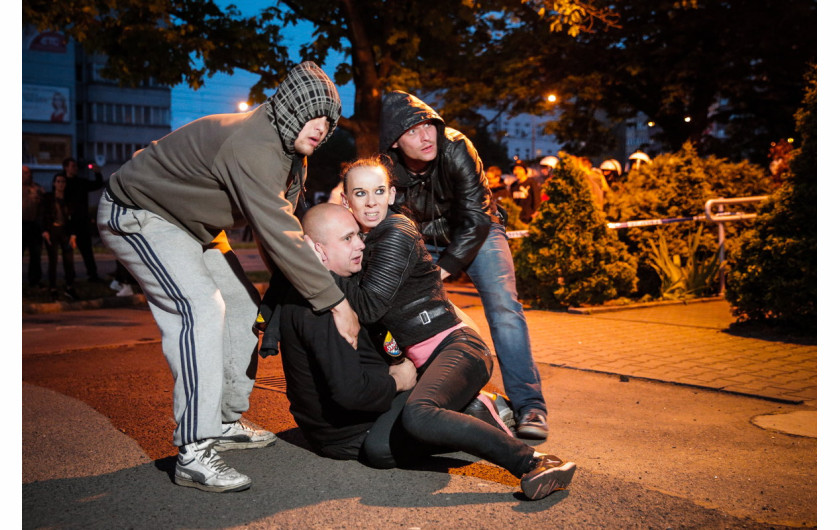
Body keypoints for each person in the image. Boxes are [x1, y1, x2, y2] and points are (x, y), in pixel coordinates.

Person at [96, 61, 359, 493]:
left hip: (192, 223)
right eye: (313, 113)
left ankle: (220, 421)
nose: (321, 127)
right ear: (291, 107)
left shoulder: (292, 154)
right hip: (138, 211)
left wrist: (297, 288)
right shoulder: (252, 143)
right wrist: (335, 302)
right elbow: (277, 231)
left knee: (242, 308)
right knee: (200, 307)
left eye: (329, 120)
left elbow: (283, 231)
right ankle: (195, 450)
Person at [281, 193, 576, 500]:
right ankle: (471, 412)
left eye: (358, 235)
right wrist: (396, 380)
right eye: (347, 238)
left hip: (370, 414)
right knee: (381, 449)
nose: (360, 245)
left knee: (407, 425)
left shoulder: (346, 285)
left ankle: (532, 462)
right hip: (349, 425)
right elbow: (348, 392)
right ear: (317, 250)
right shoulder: (321, 307)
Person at [379, 91, 549, 439]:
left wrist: (442, 270)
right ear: (395, 142)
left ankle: (530, 405)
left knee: (504, 307)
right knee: (404, 308)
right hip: (423, 237)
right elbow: (387, 219)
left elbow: (476, 216)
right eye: (412, 131)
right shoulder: (387, 169)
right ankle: (429, 393)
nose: (426, 136)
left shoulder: (457, 147)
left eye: (428, 125)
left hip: (478, 228)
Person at [58, 157, 104, 282]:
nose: (76, 168)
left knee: (87, 250)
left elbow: (98, 184)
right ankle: (70, 276)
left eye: (76, 166)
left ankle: (93, 275)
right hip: (68, 222)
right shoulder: (61, 181)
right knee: (68, 251)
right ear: (66, 167)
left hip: (82, 221)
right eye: (73, 166)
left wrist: (97, 173)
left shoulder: (80, 182)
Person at [40, 174, 78, 300]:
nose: (61, 184)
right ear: (54, 183)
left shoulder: (69, 199)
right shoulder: (48, 198)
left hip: (65, 231)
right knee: (53, 260)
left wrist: (73, 235)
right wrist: (45, 230)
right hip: (52, 230)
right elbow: (42, 214)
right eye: (58, 181)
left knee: (69, 260)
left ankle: (69, 287)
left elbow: (73, 218)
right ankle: (53, 288)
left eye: (63, 182)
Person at [23, 165, 44, 287]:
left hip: (34, 225)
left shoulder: (37, 188)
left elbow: (42, 206)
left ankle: (35, 280)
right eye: (25, 173)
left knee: (35, 255)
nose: (28, 175)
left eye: (29, 173)